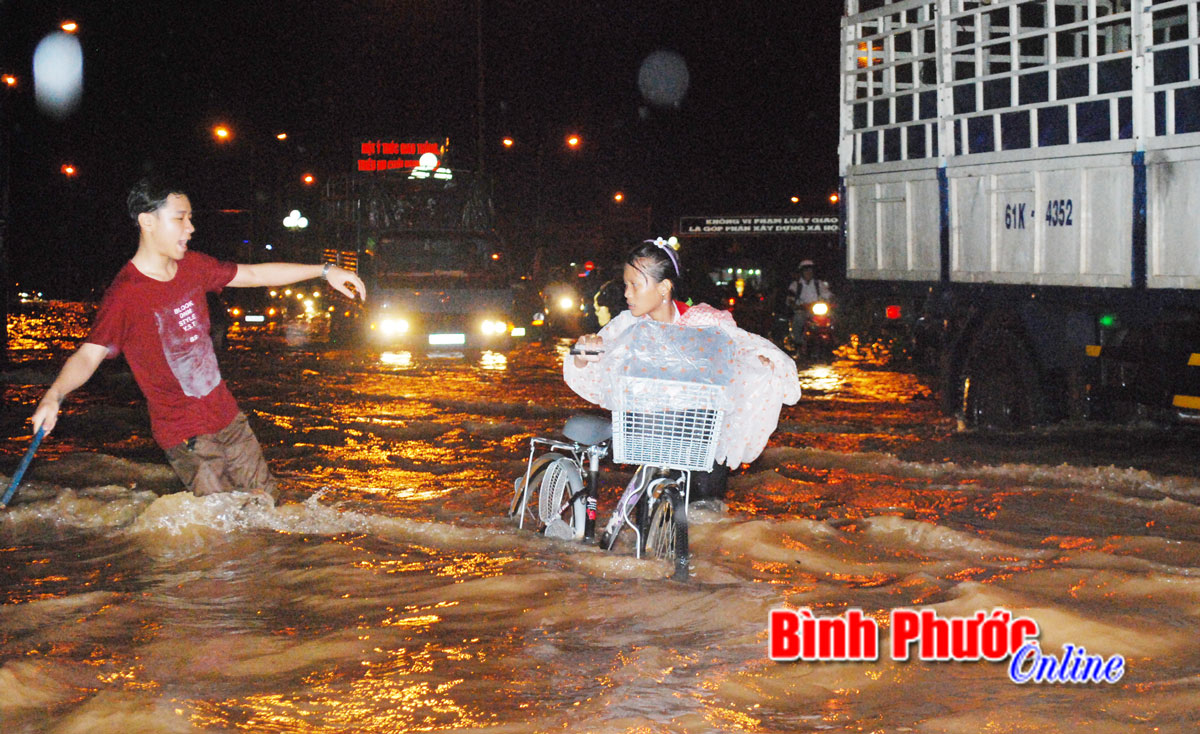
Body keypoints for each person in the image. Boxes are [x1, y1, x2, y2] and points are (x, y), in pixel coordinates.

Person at [29, 176, 367, 503]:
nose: (190, 227)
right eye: (179, 218)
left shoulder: (193, 266)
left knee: (267, 509)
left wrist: (325, 271)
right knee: (223, 525)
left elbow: (254, 274)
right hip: (185, 434)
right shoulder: (125, 294)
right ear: (147, 221)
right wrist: (54, 395)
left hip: (228, 417)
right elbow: (89, 355)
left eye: (190, 218)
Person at [565, 239, 800, 501]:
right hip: (648, 436)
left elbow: (743, 349)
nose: (627, 294)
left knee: (705, 511)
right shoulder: (625, 326)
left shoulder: (704, 322)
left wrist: (761, 363)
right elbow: (593, 358)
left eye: (635, 285)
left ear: (664, 287)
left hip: (698, 440)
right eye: (626, 285)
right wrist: (583, 351)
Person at [786, 259, 834, 347]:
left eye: (810, 270)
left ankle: (834, 339)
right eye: (806, 270)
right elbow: (790, 299)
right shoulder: (796, 285)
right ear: (802, 272)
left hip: (816, 311)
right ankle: (797, 340)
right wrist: (795, 305)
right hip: (803, 310)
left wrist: (832, 299)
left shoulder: (818, 284)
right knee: (799, 317)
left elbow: (827, 294)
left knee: (831, 318)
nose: (809, 272)